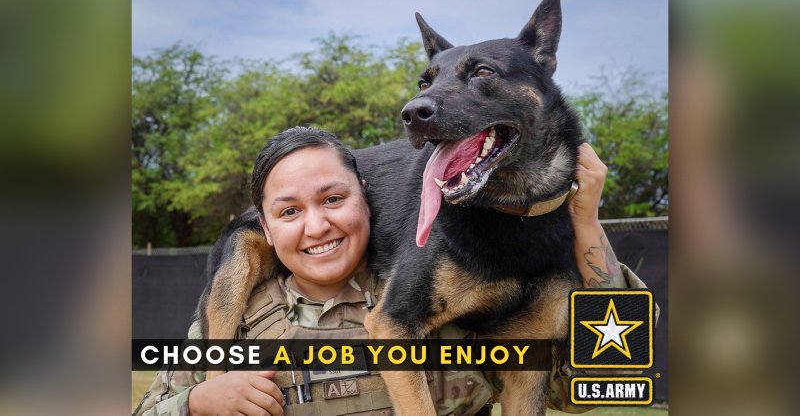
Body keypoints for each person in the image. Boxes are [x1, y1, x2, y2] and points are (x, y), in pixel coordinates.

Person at [134, 128, 652, 416]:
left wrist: (586, 224)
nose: (316, 226)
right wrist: (197, 402)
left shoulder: (444, 305)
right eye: (289, 211)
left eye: (334, 199)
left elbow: (605, 386)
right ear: (265, 229)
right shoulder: (237, 319)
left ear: (369, 201)